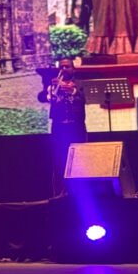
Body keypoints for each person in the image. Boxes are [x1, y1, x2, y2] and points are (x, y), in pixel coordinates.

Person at [41, 57, 87, 197]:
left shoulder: (80, 84)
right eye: (62, 67)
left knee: (79, 160)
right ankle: (60, 192)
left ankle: (80, 191)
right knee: (59, 159)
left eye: (67, 67)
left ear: (73, 69)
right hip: (59, 127)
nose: (64, 69)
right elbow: (46, 98)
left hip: (76, 126)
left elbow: (85, 99)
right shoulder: (54, 83)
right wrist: (52, 90)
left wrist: (72, 91)